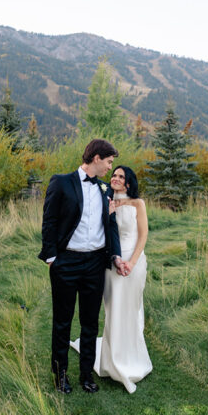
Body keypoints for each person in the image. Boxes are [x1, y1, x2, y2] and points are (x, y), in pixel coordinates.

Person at [38, 139, 128, 394]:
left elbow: (110, 225)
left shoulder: (105, 189)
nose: (110, 168)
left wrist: (115, 256)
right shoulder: (61, 182)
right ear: (96, 158)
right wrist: (52, 258)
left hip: (95, 264)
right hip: (66, 262)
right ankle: (60, 376)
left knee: (90, 322)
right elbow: (49, 221)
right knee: (62, 322)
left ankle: (86, 375)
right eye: (109, 162)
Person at [88, 165, 152, 393]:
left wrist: (131, 263)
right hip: (111, 262)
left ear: (128, 182)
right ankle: (111, 361)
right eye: (113, 174)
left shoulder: (138, 204)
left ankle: (132, 358)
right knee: (113, 308)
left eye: (121, 176)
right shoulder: (105, 200)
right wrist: (107, 214)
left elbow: (143, 235)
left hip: (134, 261)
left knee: (130, 309)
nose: (115, 178)